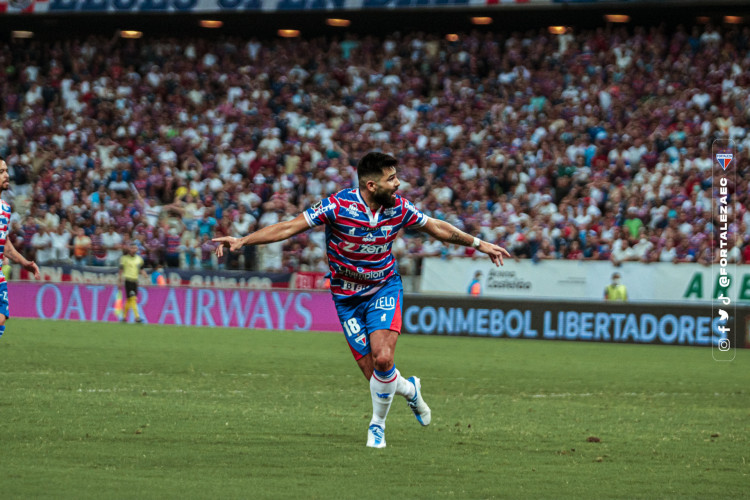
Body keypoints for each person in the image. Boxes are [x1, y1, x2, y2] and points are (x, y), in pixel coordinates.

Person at [214, 152, 510, 448]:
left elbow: (437, 227)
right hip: (346, 298)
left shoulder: (399, 209)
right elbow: (290, 226)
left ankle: (377, 426)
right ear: (371, 185)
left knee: (383, 358)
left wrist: (480, 244)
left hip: (383, 288)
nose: (398, 184)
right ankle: (409, 389)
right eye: (391, 179)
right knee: (376, 374)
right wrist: (243, 240)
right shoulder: (338, 205)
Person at [0, 159, 41, 338]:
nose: (7, 175)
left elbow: (4, 241)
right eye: (1, 172)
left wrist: (24, 262)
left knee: (2, 317)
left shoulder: (5, 209)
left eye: (6, 171)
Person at [118, 243, 147, 323]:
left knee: (129, 299)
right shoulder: (124, 258)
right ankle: (137, 317)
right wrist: (119, 281)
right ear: (129, 249)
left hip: (135, 281)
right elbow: (121, 271)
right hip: (128, 280)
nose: (133, 249)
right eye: (132, 248)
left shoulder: (139, 259)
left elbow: (141, 269)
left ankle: (124, 317)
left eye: (135, 248)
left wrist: (145, 275)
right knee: (133, 298)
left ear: (137, 249)